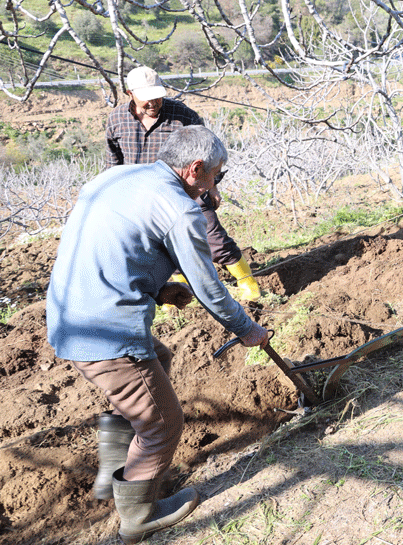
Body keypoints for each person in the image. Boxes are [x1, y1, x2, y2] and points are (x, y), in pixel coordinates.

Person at [47, 125, 270, 545]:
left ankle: (113, 473)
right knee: (164, 424)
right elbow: (208, 288)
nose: (215, 185)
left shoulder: (118, 177)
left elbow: (115, 247)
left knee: (159, 359)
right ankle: (138, 516)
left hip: (68, 315)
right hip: (106, 332)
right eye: (216, 175)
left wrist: (158, 288)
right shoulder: (180, 210)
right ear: (195, 168)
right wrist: (247, 328)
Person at [106, 65, 260, 300]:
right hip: (141, 196)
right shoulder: (116, 119)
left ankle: (247, 282)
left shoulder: (183, 115)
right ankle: (177, 296)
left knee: (213, 238)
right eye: (146, 98)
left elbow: (209, 153)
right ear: (130, 93)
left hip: (186, 190)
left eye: (157, 96)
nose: (153, 103)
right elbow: (113, 163)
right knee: (161, 249)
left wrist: (213, 186)